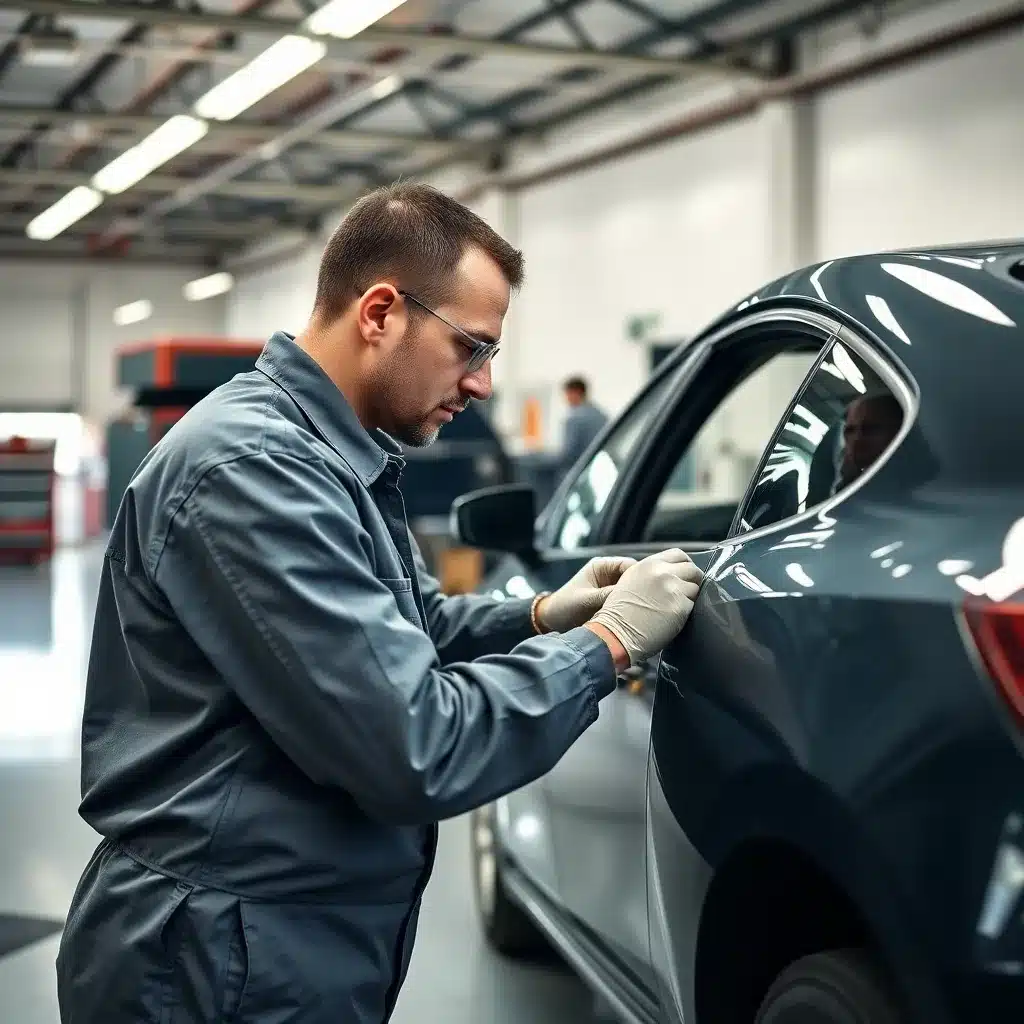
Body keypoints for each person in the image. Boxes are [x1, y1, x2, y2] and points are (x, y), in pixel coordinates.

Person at [56, 182, 703, 1024]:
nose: (480, 384)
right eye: (470, 347)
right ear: (380, 313)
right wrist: (608, 647)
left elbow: (408, 628)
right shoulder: (254, 470)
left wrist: (543, 614)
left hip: (276, 933)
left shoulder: (330, 454)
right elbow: (416, 744)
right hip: (216, 960)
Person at [559, 375, 608, 476]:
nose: (566, 399)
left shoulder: (574, 419)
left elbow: (567, 454)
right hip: (600, 469)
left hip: (579, 473)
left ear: (576, 393)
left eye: (567, 394)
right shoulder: (601, 415)